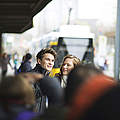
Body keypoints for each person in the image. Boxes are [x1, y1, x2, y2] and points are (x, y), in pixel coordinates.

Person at [30, 48, 63, 113]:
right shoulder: (31, 76)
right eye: (48, 60)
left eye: (52, 61)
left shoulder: (47, 76)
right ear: (39, 61)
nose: (51, 63)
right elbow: (30, 96)